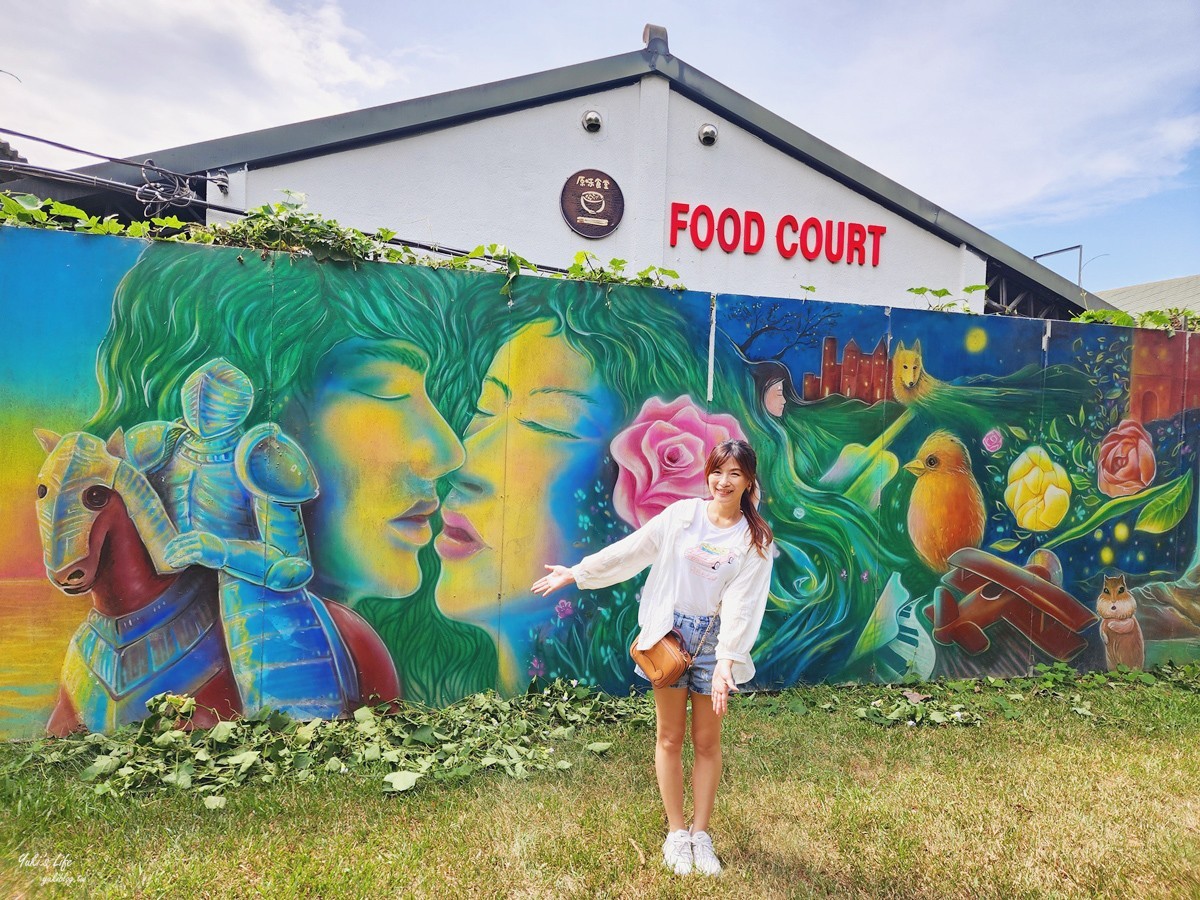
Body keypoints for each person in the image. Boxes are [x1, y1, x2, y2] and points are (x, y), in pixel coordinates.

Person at [532, 439, 774, 877]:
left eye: (735, 474)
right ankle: (676, 833)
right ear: (708, 474)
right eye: (717, 472)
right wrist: (579, 572)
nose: (723, 482)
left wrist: (727, 662)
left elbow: (744, 603)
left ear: (749, 481)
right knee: (669, 737)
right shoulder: (683, 517)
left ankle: (702, 835)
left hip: (712, 643)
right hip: (668, 634)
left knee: (706, 742)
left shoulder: (753, 539)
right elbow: (635, 549)